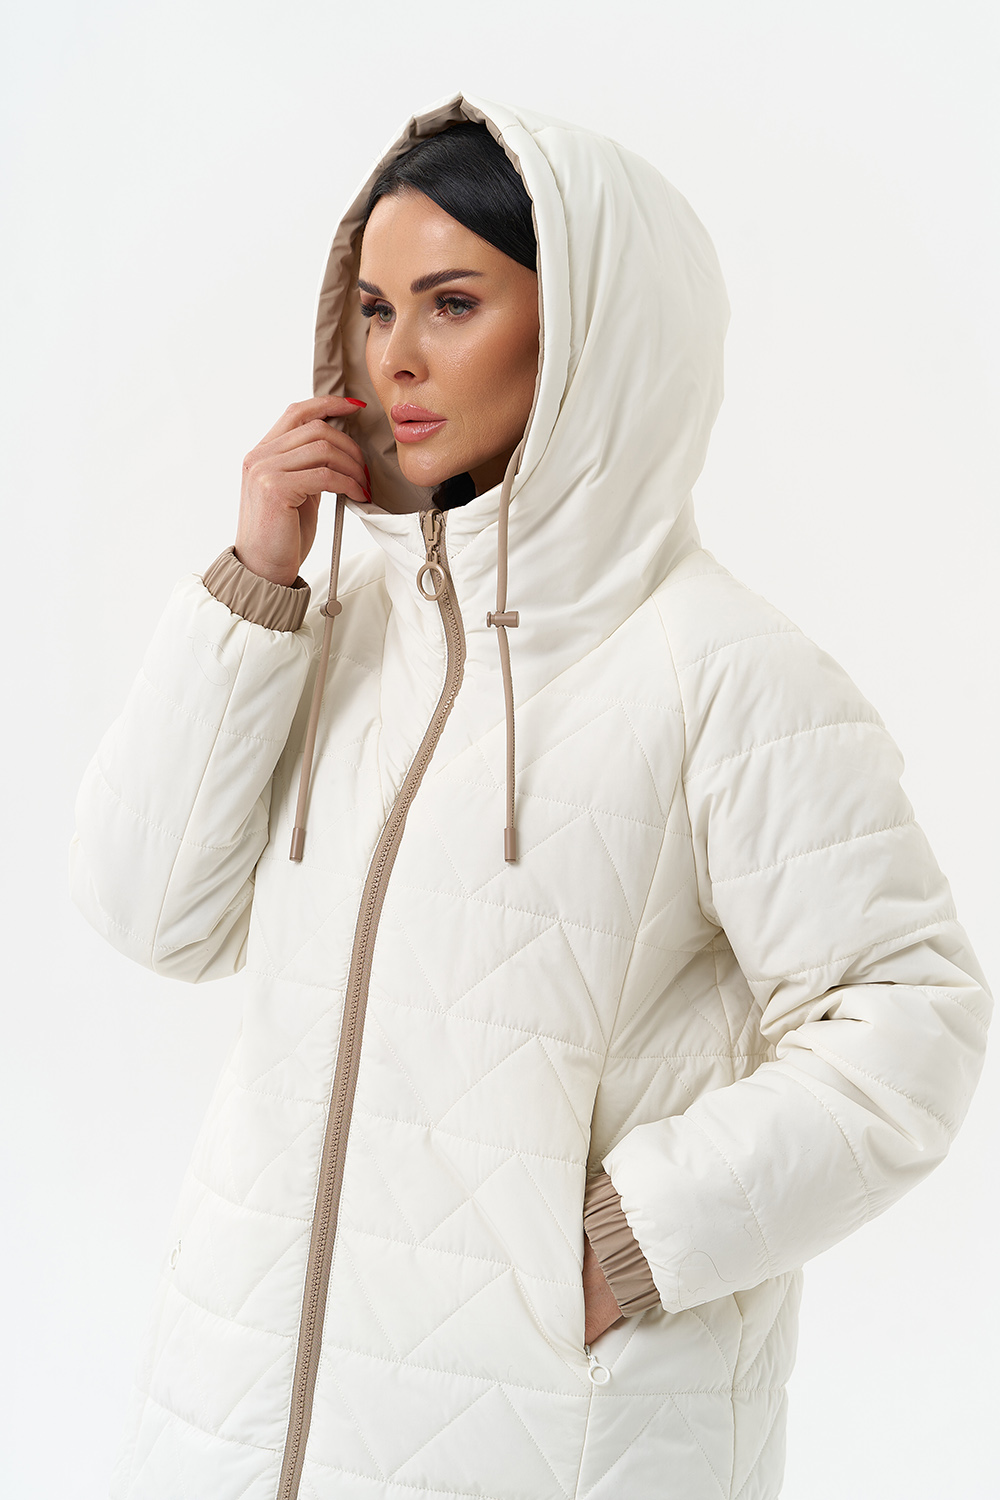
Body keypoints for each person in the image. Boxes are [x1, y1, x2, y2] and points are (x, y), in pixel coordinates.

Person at [70, 93, 991, 1500]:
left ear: (590, 331)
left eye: (454, 303)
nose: (395, 357)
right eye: (374, 310)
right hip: (243, 1421)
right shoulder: (335, 618)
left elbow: (912, 1019)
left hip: (551, 1441)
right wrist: (256, 580)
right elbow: (151, 917)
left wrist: (633, 1243)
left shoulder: (724, 670)